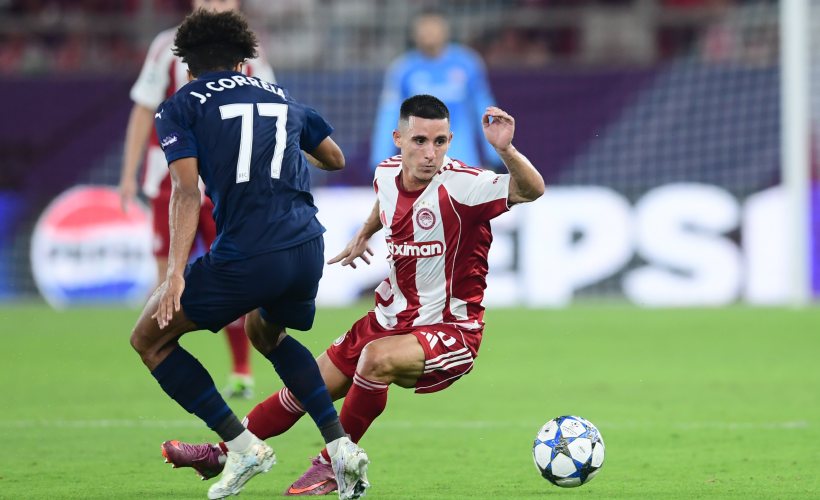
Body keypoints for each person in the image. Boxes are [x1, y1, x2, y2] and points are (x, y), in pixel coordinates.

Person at [161, 94, 544, 496]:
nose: (431, 153)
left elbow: (531, 190)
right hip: (389, 318)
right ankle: (225, 453)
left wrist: (505, 150)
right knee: (307, 388)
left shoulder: (465, 185)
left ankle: (334, 464)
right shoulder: (387, 172)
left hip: (451, 330)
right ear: (398, 139)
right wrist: (364, 232)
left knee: (375, 359)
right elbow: (386, 199)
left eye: (440, 141)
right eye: (420, 141)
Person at [128, 9, 370, 500]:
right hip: (307, 245)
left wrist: (175, 273)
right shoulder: (279, 95)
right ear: (243, 62)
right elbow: (335, 158)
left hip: (250, 252)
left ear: (188, 67)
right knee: (266, 331)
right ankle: (340, 446)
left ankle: (242, 447)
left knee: (149, 340)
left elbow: (186, 191)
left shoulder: (180, 105)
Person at [119, 0, 273, 399]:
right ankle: (165, 363)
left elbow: (270, 111)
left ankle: (241, 370)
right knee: (165, 280)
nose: (215, 5)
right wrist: (129, 173)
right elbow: (144, 109)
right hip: (170, 180)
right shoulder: (165, 46)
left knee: (235, 275)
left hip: (226, 183)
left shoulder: (250, 51)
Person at [370, 9, 499, 171]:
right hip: (420, 162)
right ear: (414, 34)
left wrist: (495, 154)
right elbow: (390, 113)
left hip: (463, 160)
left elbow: (483, 107)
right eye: (424, 28)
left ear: (446, 30)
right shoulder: (403, 69)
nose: (429, 32)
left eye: (434, 26)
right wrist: (379, 159)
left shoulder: (467, 63)